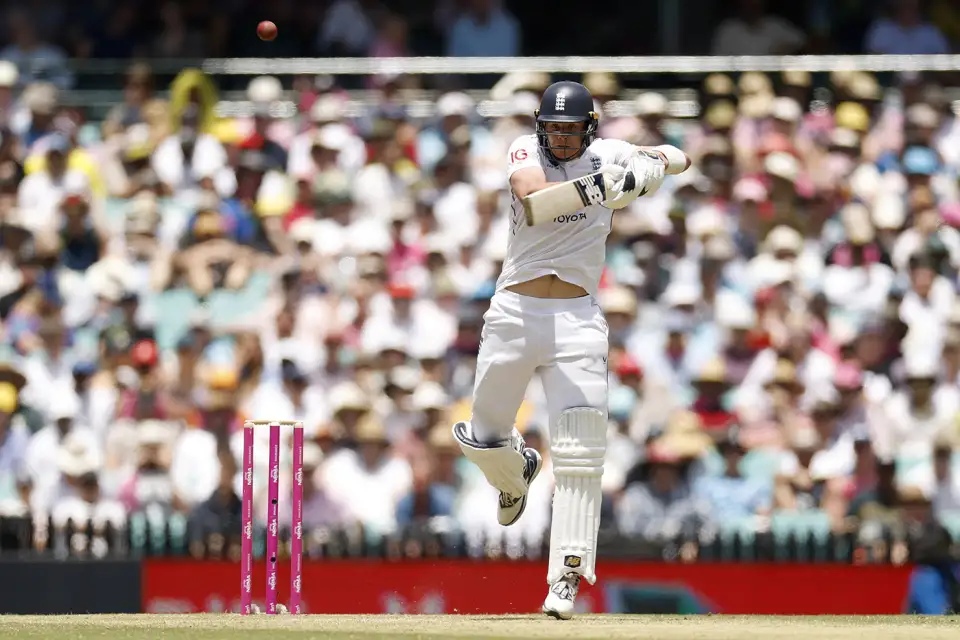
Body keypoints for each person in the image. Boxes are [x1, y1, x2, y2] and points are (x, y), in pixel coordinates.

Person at [451, 80, 690, 620]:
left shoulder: (608, 153)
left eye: (569, 130)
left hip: (578, 319)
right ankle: (514, 473)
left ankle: (566, 576)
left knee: (581, 451)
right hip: (514, 313)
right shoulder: (524, 150)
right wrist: (607, 187)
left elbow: (681, 157)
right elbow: (536, 203)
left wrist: (652, 163)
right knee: (482, 434)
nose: (559, 139)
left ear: (589, 129)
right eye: (552, 129)